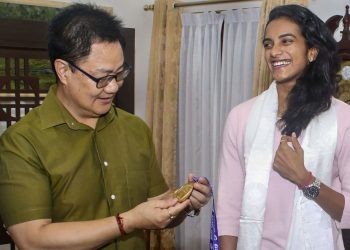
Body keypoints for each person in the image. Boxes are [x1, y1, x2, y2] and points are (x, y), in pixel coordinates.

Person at [0, 3, 211, 250]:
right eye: (102, 78)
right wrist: (127, 222)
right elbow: (32, 240)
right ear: (64, 71)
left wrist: (185, 204)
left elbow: (158, 210)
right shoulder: (23, 141)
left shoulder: (134, 128)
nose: (113, 87)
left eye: (120, 74)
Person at [217, 4, 350, 250]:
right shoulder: (241, 118)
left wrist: (306, 180)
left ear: (312, 51)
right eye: (268, 44)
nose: (274, 52)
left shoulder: (343, 118)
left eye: (286, 41)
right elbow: (228, 206)